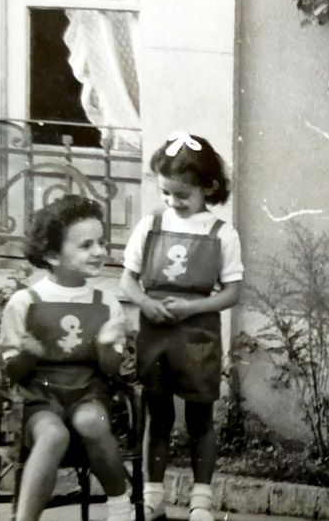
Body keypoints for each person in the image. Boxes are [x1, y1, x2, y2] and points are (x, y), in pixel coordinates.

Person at [120, 130, 243, 521]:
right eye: (167, 194)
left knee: (199, 418)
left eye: (183, 195)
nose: (174, 202)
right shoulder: (150, 226)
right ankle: (153, 495)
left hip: (197, 336)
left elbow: (232, 293)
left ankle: (201, 500)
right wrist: (145, 302)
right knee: (158, 415)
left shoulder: (222, 234)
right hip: (155, 332)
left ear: (208, 187)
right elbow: (128, 279)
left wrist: (192, 309)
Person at [0, 195, 132, 521]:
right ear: (52, 255)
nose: (99, 251)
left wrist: (104, 346)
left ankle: (120, 504)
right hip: (39, 398)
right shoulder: (24, 302)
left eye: (101, 242)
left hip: (88, 392)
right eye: (86, 245)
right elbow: (10, 373)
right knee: (52, 434)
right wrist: (28, 356)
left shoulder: (107, 303)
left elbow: (115, 372)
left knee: (91, 421)